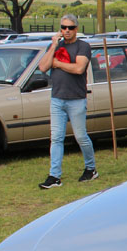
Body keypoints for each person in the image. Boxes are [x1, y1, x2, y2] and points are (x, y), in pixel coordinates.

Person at [36, 14, 97, 188]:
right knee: (56, 138)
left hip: (76, 99)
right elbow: (43, 66)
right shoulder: (56, 46)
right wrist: (54, 45)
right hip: (57, 99)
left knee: (81, 136)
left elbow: (79, 69)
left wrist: (57, 64)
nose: (67, 31)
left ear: (76, 29)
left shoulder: (82, 46)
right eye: (64, 27)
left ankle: (91, 168)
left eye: (70, 28)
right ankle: (54, 176)